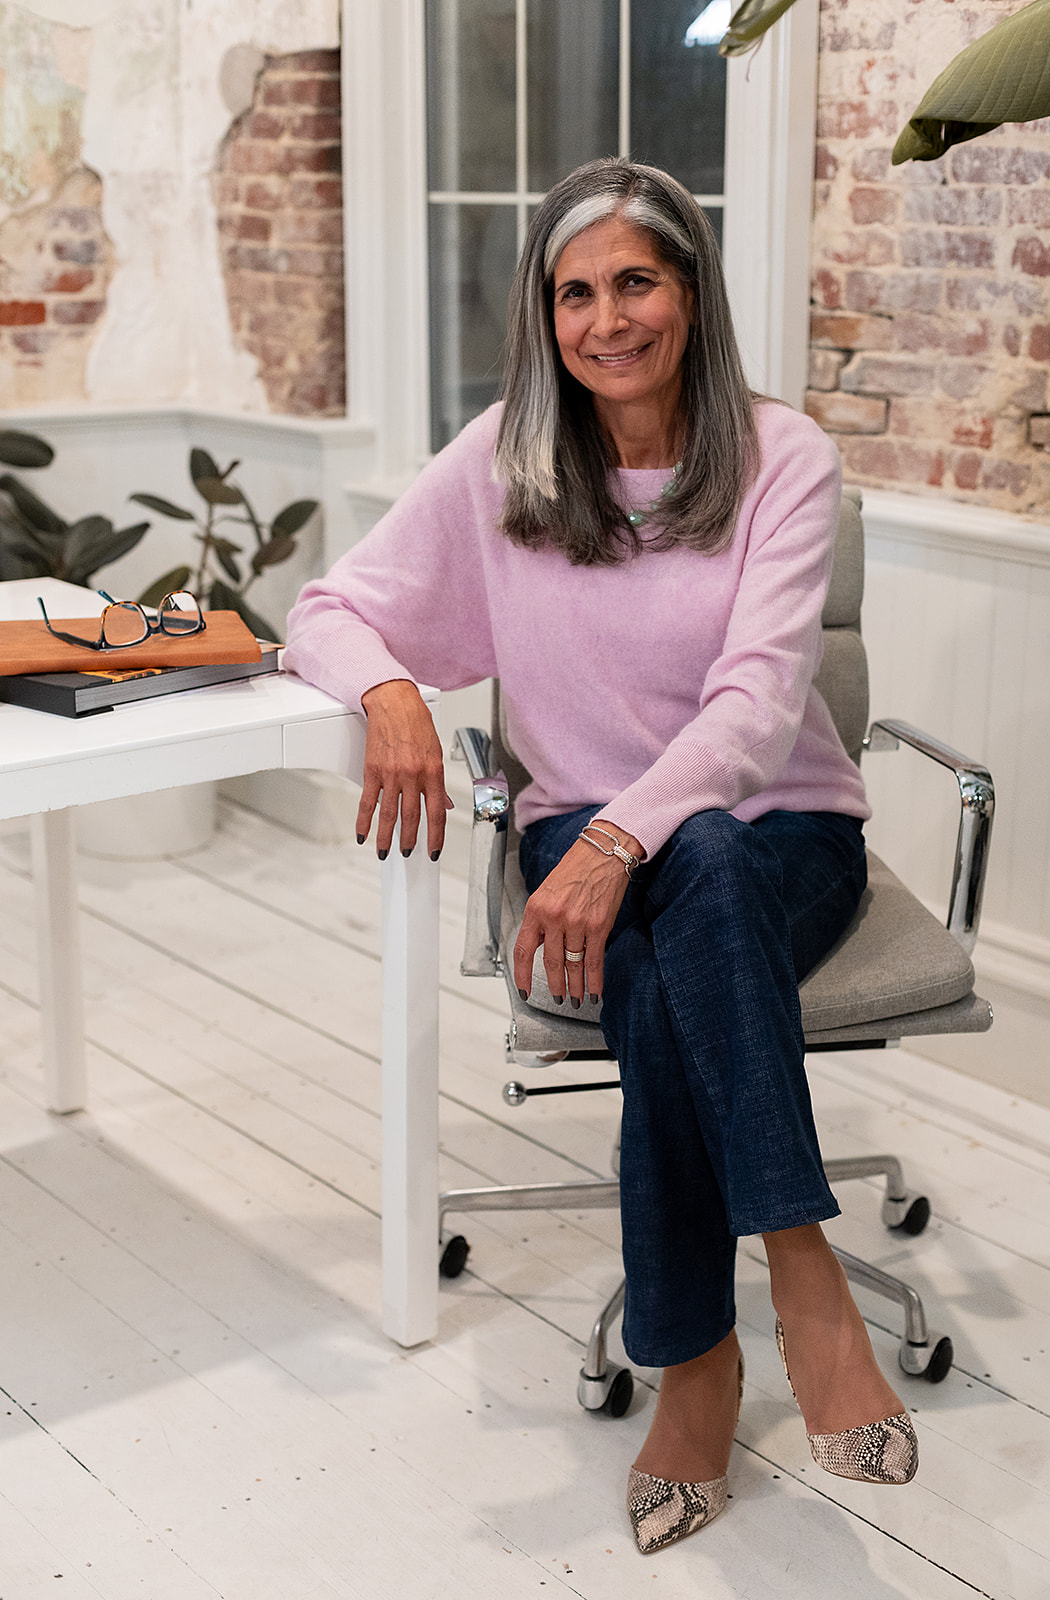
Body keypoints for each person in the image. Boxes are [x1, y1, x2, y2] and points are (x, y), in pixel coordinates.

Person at [284, 158, 919, 1555]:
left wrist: (626, 834)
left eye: (636, 280)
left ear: (690, 292)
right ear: (544, 312)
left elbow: (755, 711)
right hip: (585, 824)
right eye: (575, 291)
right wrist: (394, 693)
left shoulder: (779, 455)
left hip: (780, 826)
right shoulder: (506, 456)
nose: (605, 318)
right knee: (687, 909)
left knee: (703, 888)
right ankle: (790, 1278)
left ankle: (705, 1355)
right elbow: (324, 609)